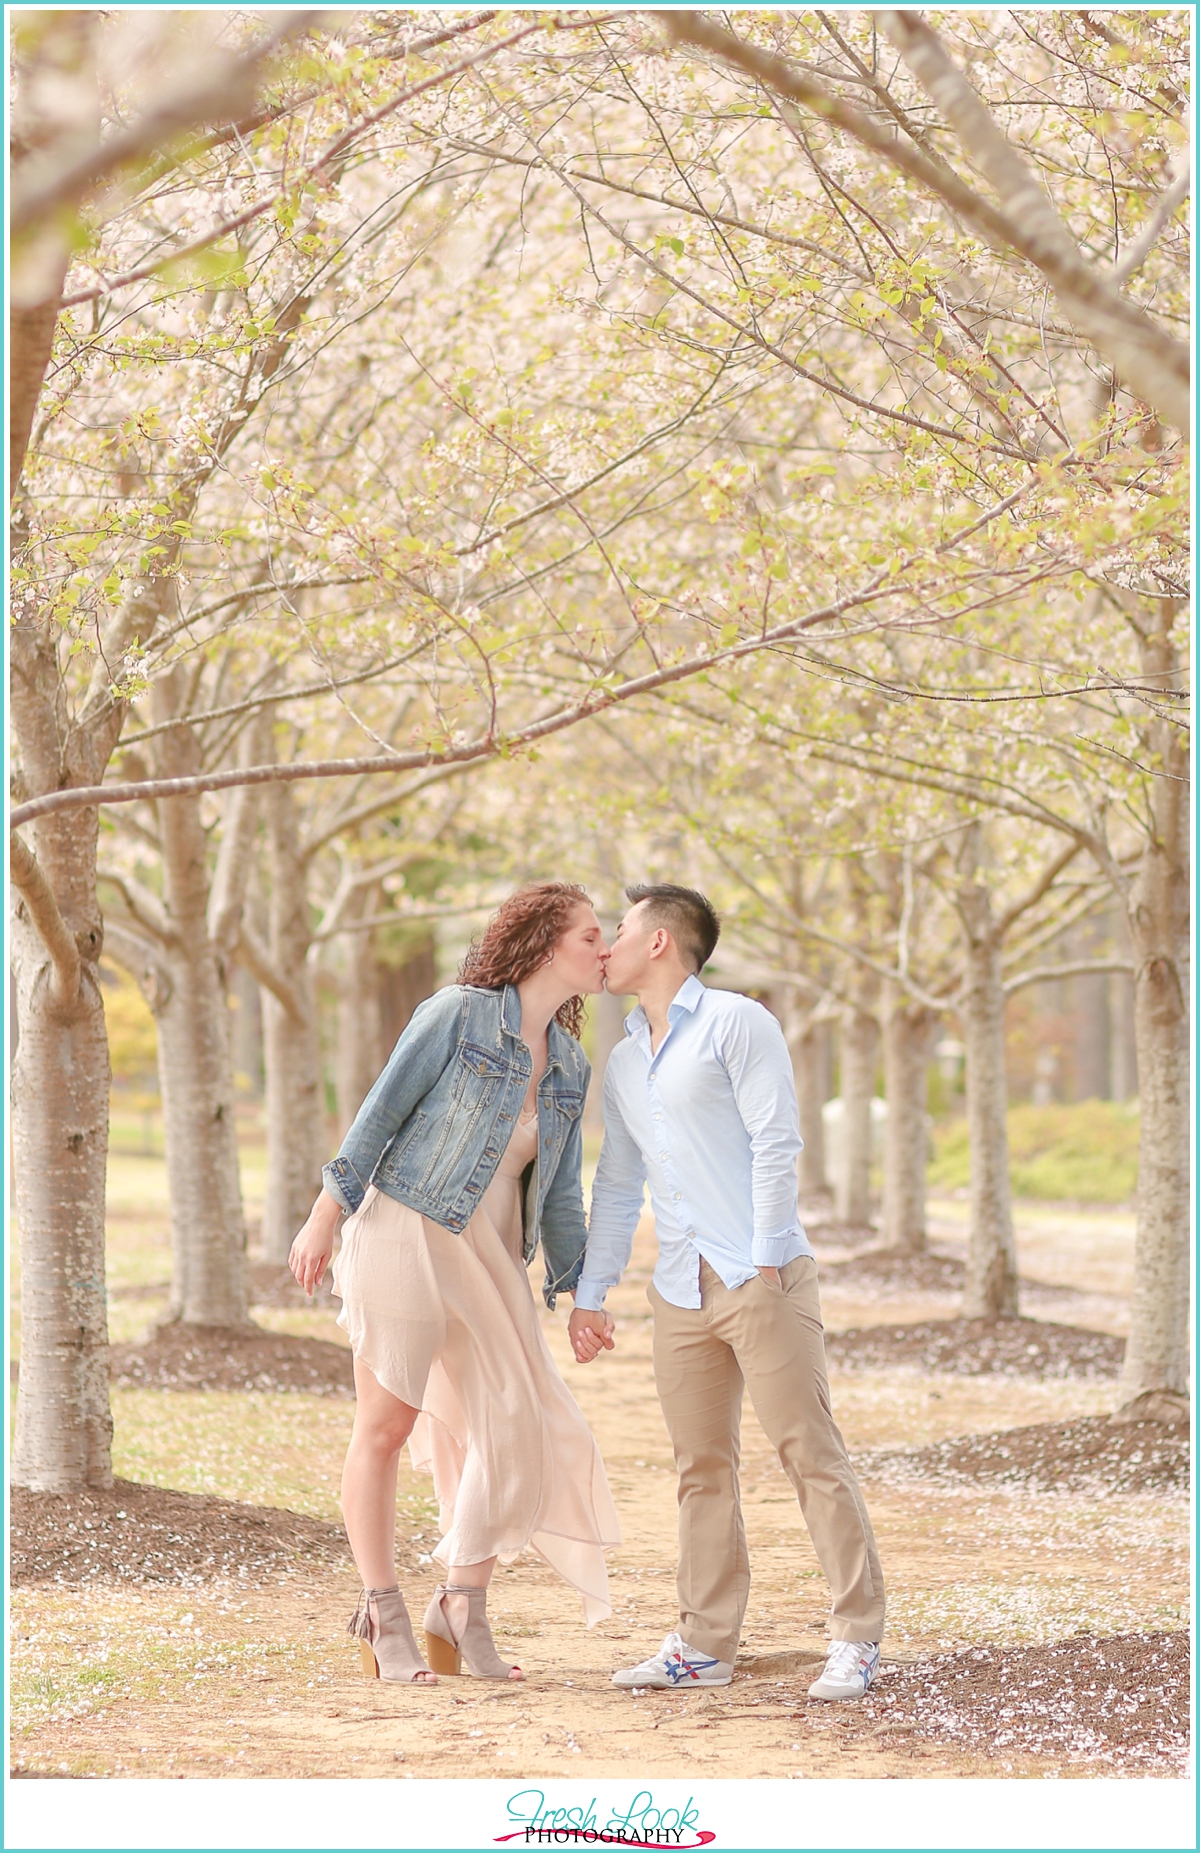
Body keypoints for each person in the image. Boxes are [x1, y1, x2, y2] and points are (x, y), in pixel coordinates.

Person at [289, 882, 620, 1685]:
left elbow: (564, 1193)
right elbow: (380, 1110)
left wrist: (583, 1294)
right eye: (590, 934)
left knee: (518, 1422)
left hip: (490, 1256)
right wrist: (325, 1213)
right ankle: (382, 1609)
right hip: (405, 1226)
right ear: (545, 944)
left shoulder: (572, 1064)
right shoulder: (458, 1012)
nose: (604, 948)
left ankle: (460, 1603)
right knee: (388, 1424)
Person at [568, 883, 885, 1701]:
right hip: (678, 1288)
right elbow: (618, 1179)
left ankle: (855, 1635)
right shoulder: (628, 1057)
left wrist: (770, 1251)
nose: (608, 942)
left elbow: (778, 1136)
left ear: (663, 941)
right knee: (700, 1466)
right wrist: (593, 1289)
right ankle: (704, 1644)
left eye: (623, 929)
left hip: (757, 1273)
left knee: (808, 1451)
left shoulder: (739, 1022)